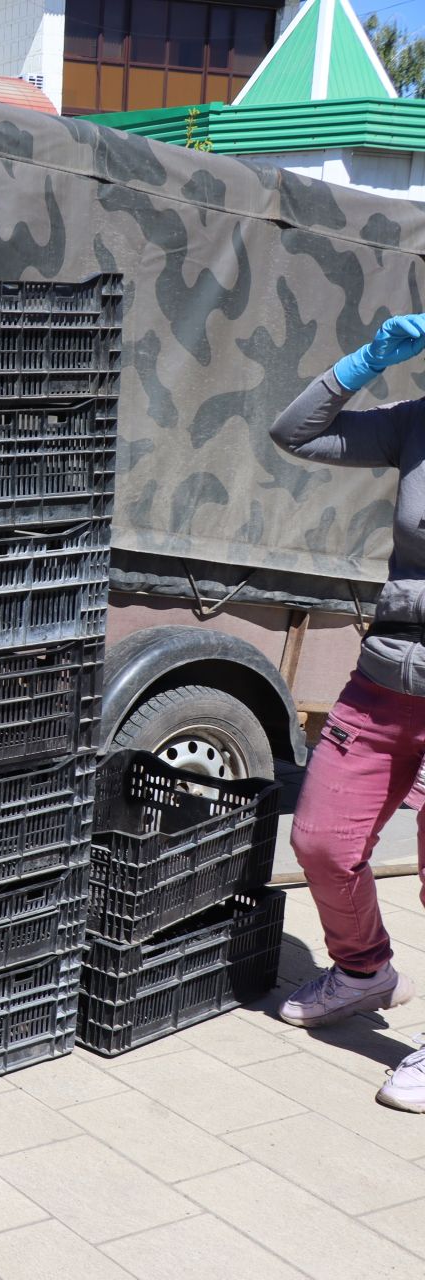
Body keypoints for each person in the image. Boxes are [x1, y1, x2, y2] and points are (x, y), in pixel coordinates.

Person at [272, 313, 425, 1111]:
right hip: (384, 680)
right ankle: (366, 970)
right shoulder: (416, 423)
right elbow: (295, 434)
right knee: (321, 841)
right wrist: (364, 360)